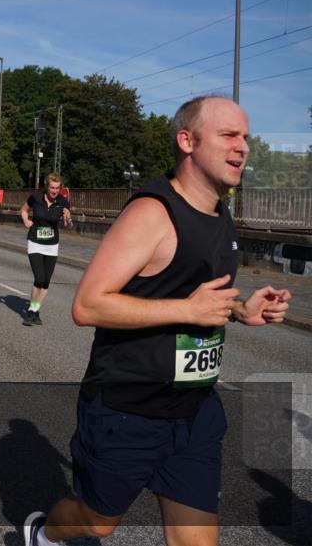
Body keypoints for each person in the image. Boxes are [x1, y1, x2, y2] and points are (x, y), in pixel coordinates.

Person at [24, 96, 292, 546]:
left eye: (245, 137)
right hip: (128, 411)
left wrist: (241, 310)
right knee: (97, 522)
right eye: (229, 135)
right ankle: (42, 535)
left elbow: (193, 292)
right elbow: (87, 305)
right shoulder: (152, 213)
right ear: (187, 141)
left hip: (194, 412)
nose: (243, 147)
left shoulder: (219, 213)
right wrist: (187, 310)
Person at [19, 173, 72, 326]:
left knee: (46, 282)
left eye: (57, 188)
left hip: (52, 245)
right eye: (52, 187)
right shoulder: (36, 197)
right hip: (35, 242)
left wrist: (68, 218)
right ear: (46, 186)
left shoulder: (63, 202)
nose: (54, 191)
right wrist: (26, 221)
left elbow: (68, 226)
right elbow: (24, 210)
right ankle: (30, 311)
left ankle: (36, 310)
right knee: (39, 278)